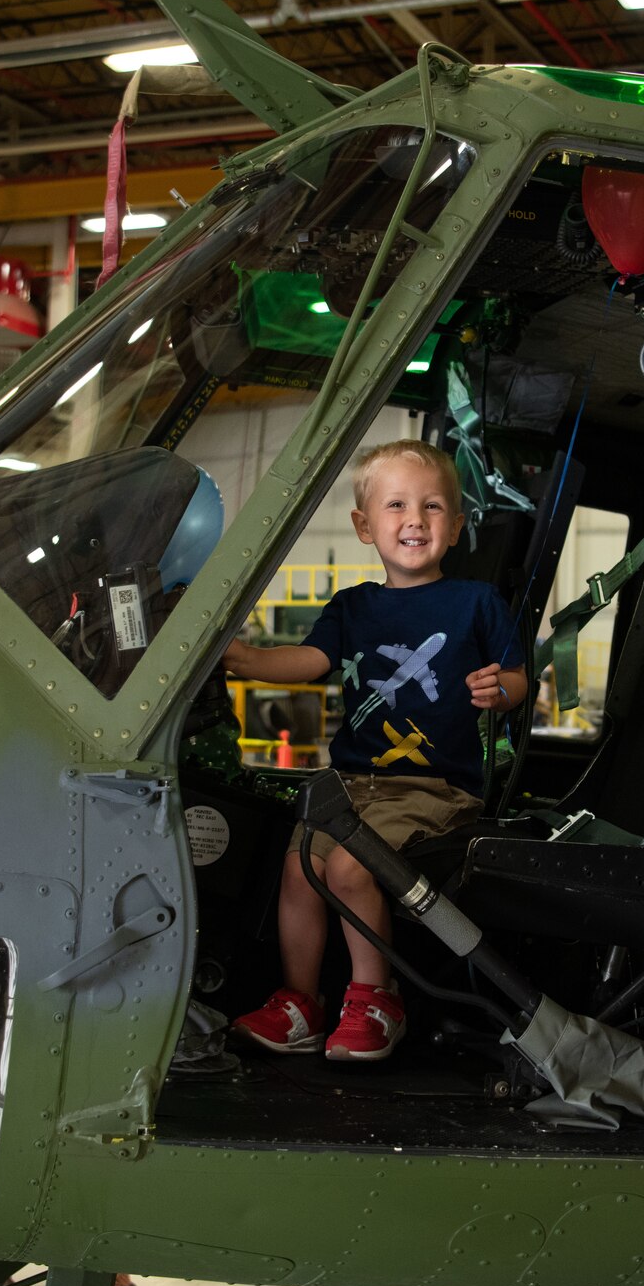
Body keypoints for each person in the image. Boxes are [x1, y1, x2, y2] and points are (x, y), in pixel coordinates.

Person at [222, 439, 528, 1061]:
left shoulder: (476, 603)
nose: (415, 519)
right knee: (299, 870)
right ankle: (300, 1003)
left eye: (434, 506)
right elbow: (309, 661)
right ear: (365, 526)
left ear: (459, 525)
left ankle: (374, 998)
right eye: (396, 505)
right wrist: (248, 659)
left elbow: (519, 679)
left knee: (347, 868)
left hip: (434, 789)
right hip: (349, 787)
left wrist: (501, 692)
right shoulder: (351, 607)